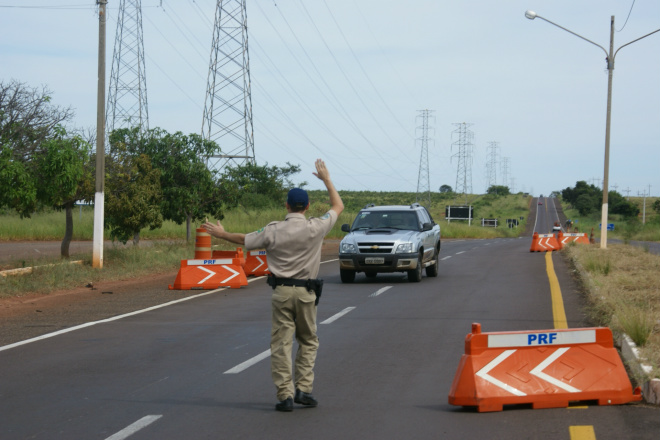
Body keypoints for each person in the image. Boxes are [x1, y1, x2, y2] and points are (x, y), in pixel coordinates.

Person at [203, 159, 343, 412]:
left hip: (280, 292)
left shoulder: (273, 230)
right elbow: (338, 206)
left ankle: (285, 395)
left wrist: (221, 234)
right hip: (307, 292)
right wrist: (326, 179)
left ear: (287, 205)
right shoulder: (317, 226)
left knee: (281, 344)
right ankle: (304, 389)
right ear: (307, 206)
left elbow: (244, 240)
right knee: (308, 341)